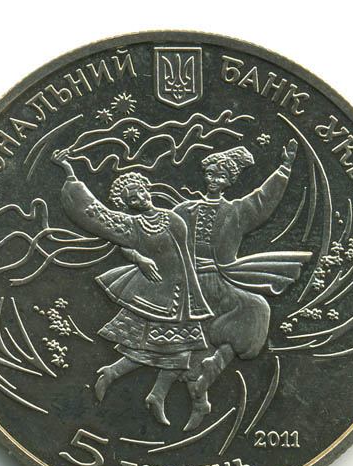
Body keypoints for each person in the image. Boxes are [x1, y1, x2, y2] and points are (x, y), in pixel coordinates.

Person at [53, 149, 213, 428]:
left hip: (181, 293)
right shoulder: (132, 224)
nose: (140, 198)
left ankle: (139, 386)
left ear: (147, 188)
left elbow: (186, 254)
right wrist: (69, 171)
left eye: (140, 191)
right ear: (127, 205)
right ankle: (130, 382)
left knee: (180, 347)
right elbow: (95, 213)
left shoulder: (173, 218)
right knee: (173, 346)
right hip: (154, 292)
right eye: (132, 198)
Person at [172, 140, 312, 429]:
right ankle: (198, 399)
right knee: (191, 340)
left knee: (255, 310)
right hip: (186, 283)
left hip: (218, 280)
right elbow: (163, 235)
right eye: (211, 174)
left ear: (230, 181)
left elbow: (262, 200)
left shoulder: (235, 211)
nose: (215, 180)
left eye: (222, 176)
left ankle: (212, 371)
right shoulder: (185, 210)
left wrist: (284, 168)